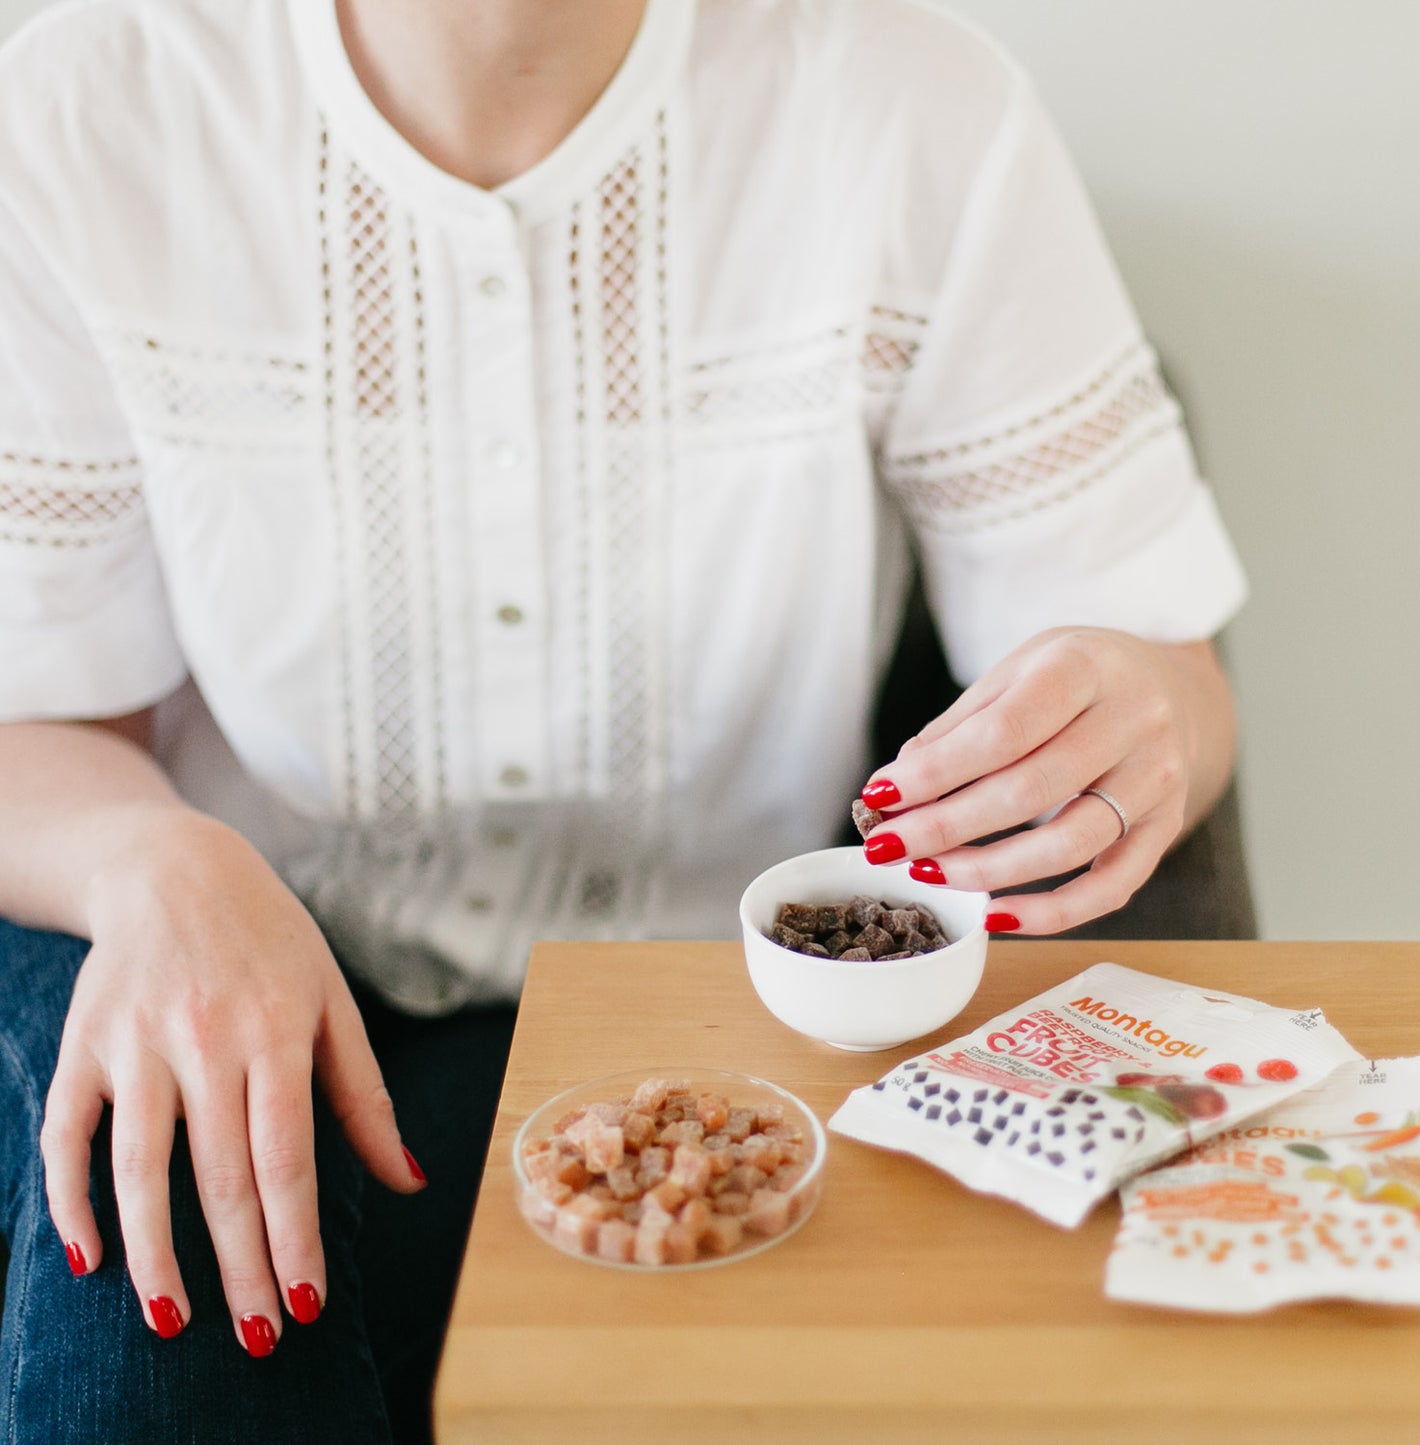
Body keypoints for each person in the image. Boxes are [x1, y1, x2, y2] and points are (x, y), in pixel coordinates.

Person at [0, 0, 1247, 1438]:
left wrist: (1136, 712)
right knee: (149, 1253)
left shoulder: (909, 107)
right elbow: (35, 720)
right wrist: (154, 863)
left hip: (721, 1016)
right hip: (253, 968)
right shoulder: (85, 111)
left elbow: (1156, 666)